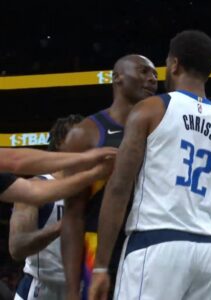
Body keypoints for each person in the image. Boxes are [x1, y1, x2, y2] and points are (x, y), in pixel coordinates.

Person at [88, 30, 211, 300]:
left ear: (174, 64)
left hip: (158, 242)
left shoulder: (151, 109)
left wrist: (100, 265)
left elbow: (119, 188)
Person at [61, 54, 158, 300]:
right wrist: (72, 290)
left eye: (155, 75)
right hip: (99, 247)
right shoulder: (85, 133)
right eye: (143, 71)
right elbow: (73, 215)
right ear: (117, 77)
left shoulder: (161, 130)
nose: (152, 79)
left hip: (149, 244)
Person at [9, 115, 84, 300]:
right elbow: (17, 248)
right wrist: (61, 226)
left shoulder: (94, 190)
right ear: (59, 142)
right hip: (40, 290)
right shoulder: (35, 187)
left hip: (80, 290)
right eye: (80, 136)